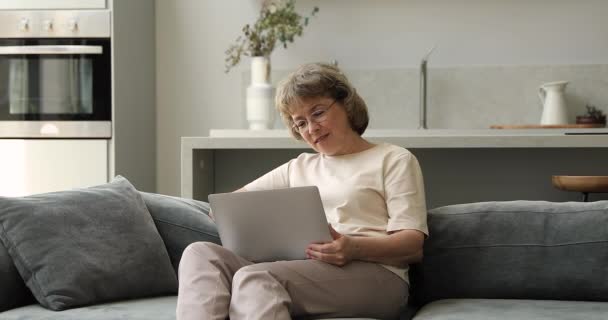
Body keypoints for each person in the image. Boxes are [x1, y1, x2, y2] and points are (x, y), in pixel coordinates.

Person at [176, 63, 428, 320]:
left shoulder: (393, 159)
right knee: (199, 253)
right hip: (304, 268)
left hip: (377, 275)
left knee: (255, 277)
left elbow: (412, 245)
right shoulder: (298, 167)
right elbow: (226, 206)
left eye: (318, 113)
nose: (311, 128)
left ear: (346, 104)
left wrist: (353, 248)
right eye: (301, 123)